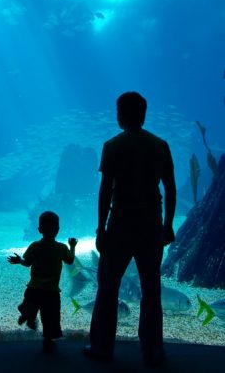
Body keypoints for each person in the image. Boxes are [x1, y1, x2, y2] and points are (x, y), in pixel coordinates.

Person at [83, 92, 176, 366]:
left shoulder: (113, 145)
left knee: (108, 287)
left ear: (121, 114)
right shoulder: (160, 145)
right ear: (144, 115)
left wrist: (101, 228)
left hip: (120, 224)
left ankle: (101, 346)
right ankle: (152, 350)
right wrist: (168, 224)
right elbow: (169, 189)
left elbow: (105, 191)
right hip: (150, 225)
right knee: (151, 289)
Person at [8, 211, 77, 352]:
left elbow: (27, 263)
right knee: (50, 317)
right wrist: (73, 246)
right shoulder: (61, 248)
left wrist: (18, 260)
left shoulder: (34, 246)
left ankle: (26, 311)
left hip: (34, 288)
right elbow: (70, 261)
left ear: (39, 229)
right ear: (57, 230)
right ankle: (47, 340)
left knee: (32, 304)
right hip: (51, 291)